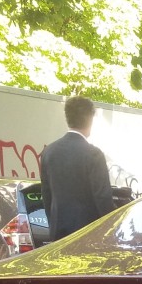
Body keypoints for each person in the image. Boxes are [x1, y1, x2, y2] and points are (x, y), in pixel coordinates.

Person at [39, 96, 116, 242]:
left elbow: (46, 195)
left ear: (67, 119)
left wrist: (53, 224)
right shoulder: (93, 154)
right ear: (90, 119)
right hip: (88, 234)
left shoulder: (49, 152)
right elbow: (103, 198)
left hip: (58, 234)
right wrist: (111, 230)